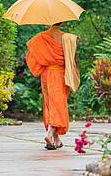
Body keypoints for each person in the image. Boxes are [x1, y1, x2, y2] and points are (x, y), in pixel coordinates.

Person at [26, 22, 80, 150]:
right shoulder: (68, 38)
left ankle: (56, 140)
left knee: (50, 105)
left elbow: (32, 55)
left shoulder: (41, 37)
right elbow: (72, 60)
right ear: (62, 22)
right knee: (59, 105)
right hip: (61, 74)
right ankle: (49, 134)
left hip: (46, 74)